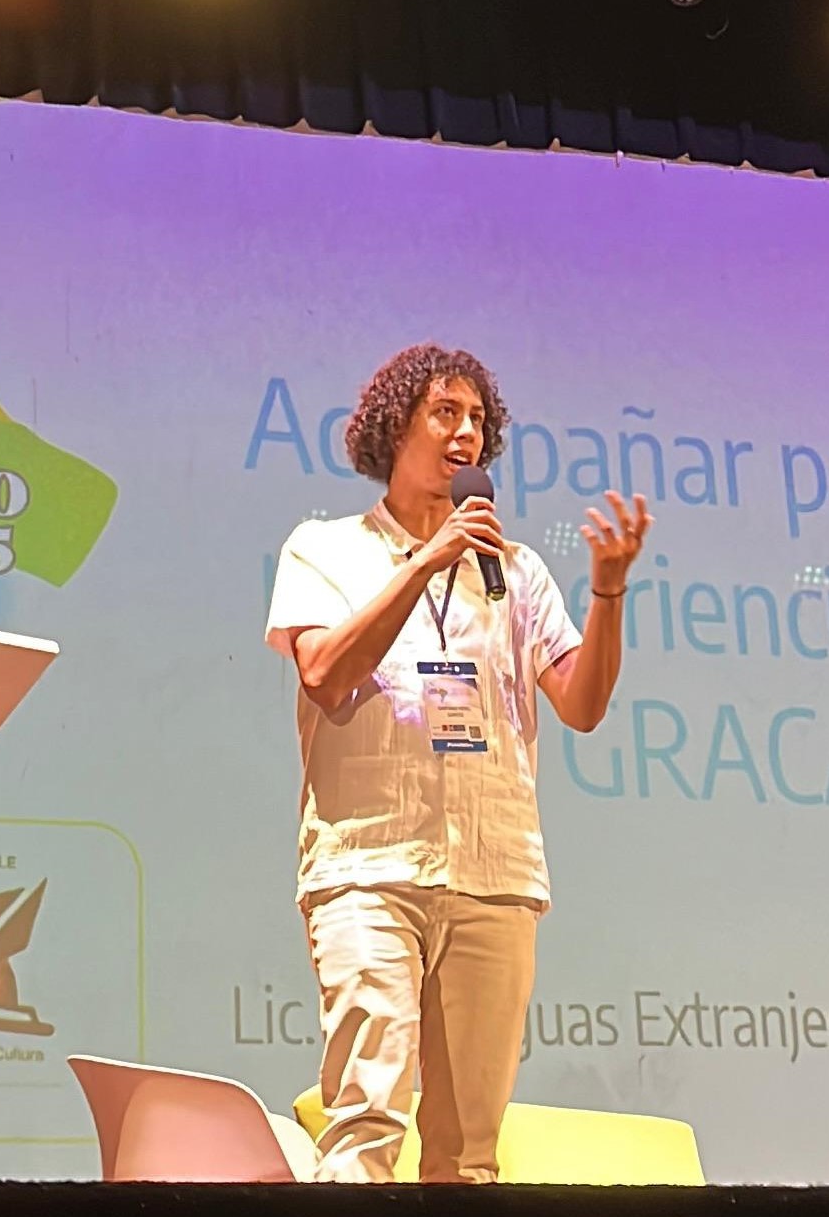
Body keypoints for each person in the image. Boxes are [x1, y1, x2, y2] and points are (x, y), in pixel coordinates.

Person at [263, 343, 651, 1184]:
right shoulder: (325, 549)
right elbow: (323, 673)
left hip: (494, 875)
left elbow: (582, 704)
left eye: (478, 418)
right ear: (392, 427)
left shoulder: (516, 570)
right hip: (369, 868)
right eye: (446, 412)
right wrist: (428, 558)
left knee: (470, 1155)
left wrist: (608, 592)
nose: (467, 431)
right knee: (365, 1121)